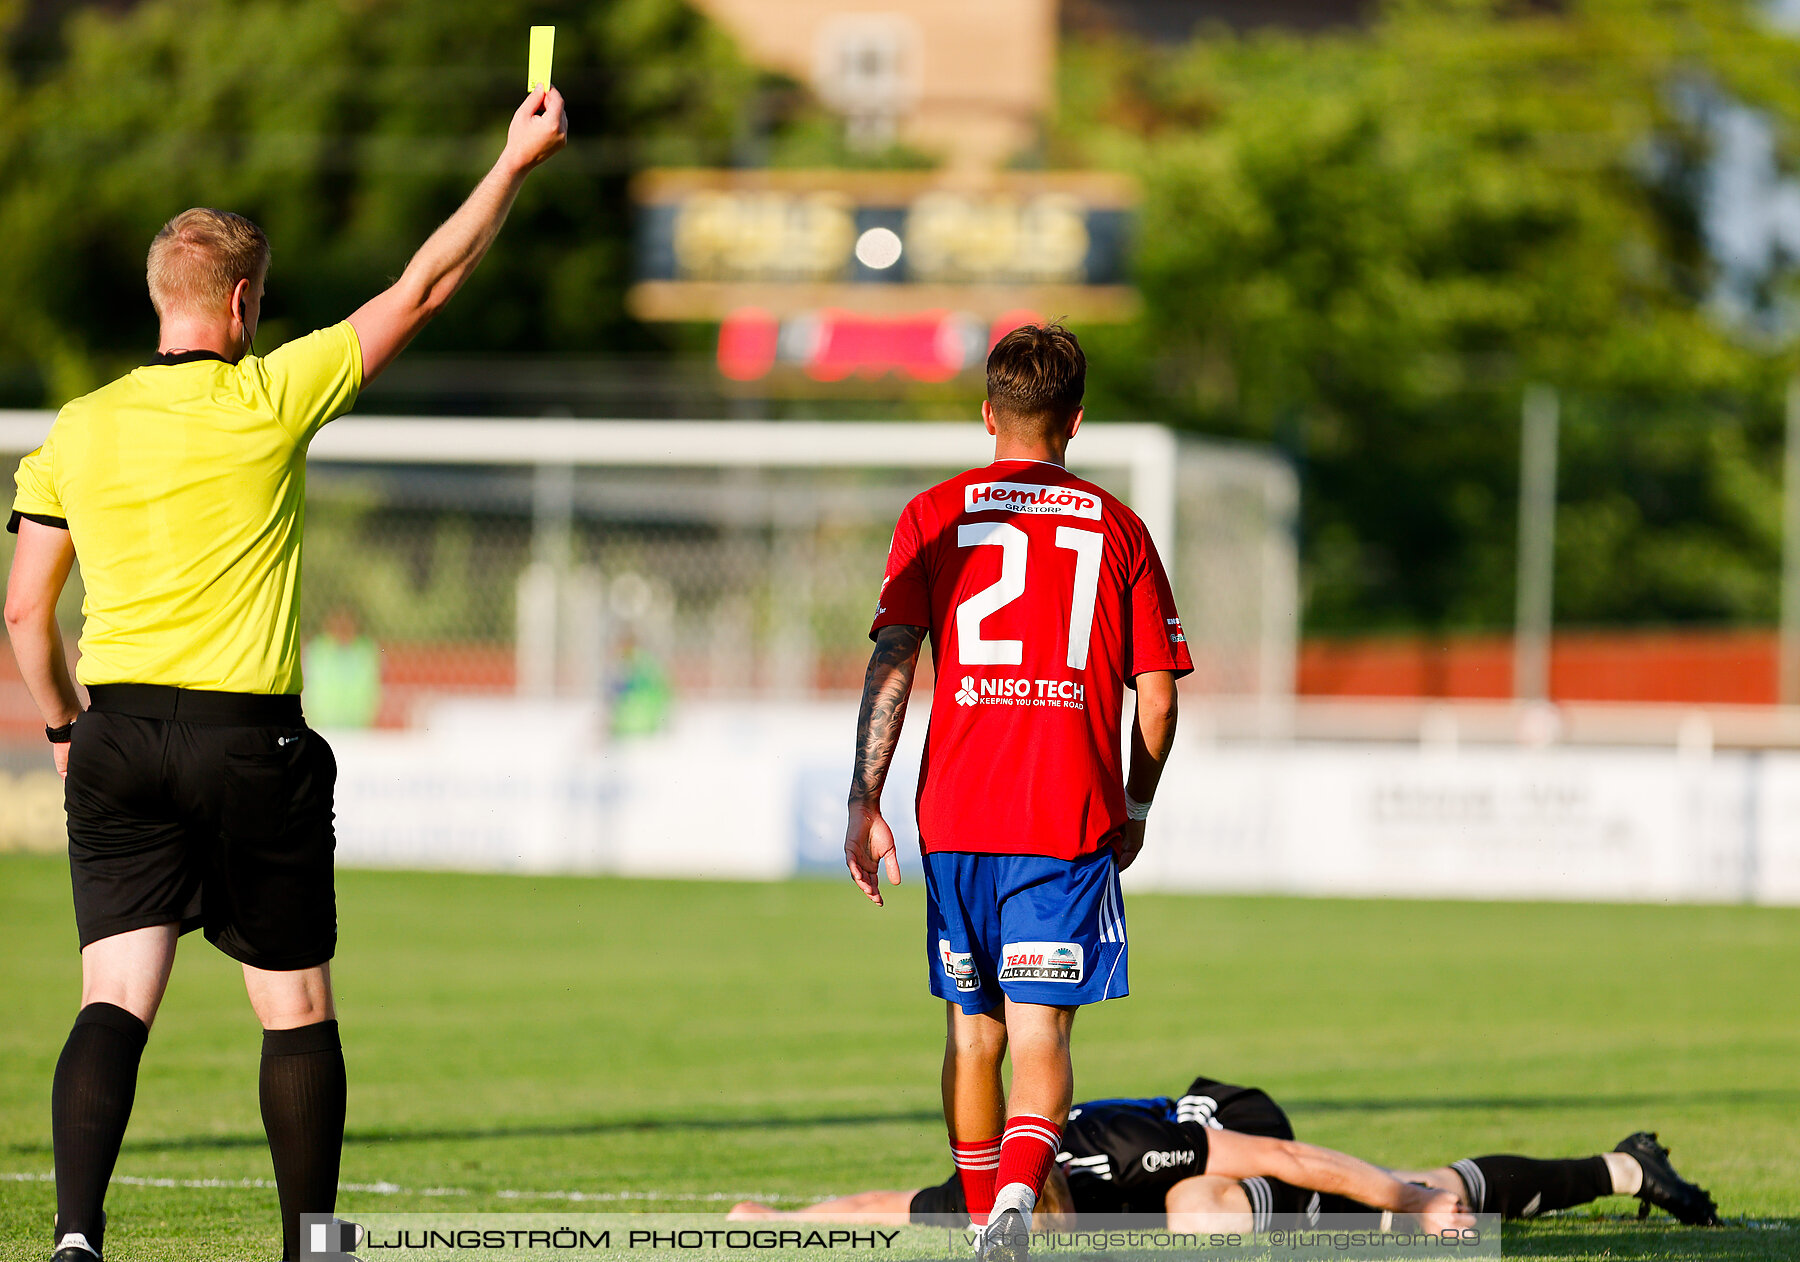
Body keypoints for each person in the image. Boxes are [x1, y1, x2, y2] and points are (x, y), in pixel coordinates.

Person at [3, 87, 567, 1262]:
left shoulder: (76, 426)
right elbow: (424, 282)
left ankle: (72, 1235)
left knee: (114, 997)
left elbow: (22, 608)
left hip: (115, 736)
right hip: (244, 736)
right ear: (244, 302)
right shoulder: (270, 394)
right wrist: (513, 161)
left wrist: (65, 729)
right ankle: (312, 1242)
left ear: (160, 296)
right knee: (294, 1006)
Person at [844, 323, 1191, 1261]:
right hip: (1063, 813)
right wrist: (1137, 806)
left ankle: (980, 1205)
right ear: (1076, 421)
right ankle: (1011, 1206)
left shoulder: (931, 514)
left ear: (987, 412)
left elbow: (894, 659)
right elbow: (1155, 701)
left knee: (972, 1035)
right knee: (1041, 1034)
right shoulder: (1118, 527)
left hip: (956, 813)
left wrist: (863, 800)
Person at [728, 1074, 1719, 1232]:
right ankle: (1628, 1166)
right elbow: (876, 1201)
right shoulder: (985, 1197)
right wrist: (779, 1221)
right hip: (1192, 1168)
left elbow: (1289, 1157)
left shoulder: (1114, 1152)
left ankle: (1418, 1206)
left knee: (1209, 1213)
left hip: (1229, 1115)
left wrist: (1398, 1198)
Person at [302, 608, 383, 729]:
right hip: (321, 725)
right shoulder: (316, 650)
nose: (342, 628)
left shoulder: (366, 651)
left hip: (358, 727)